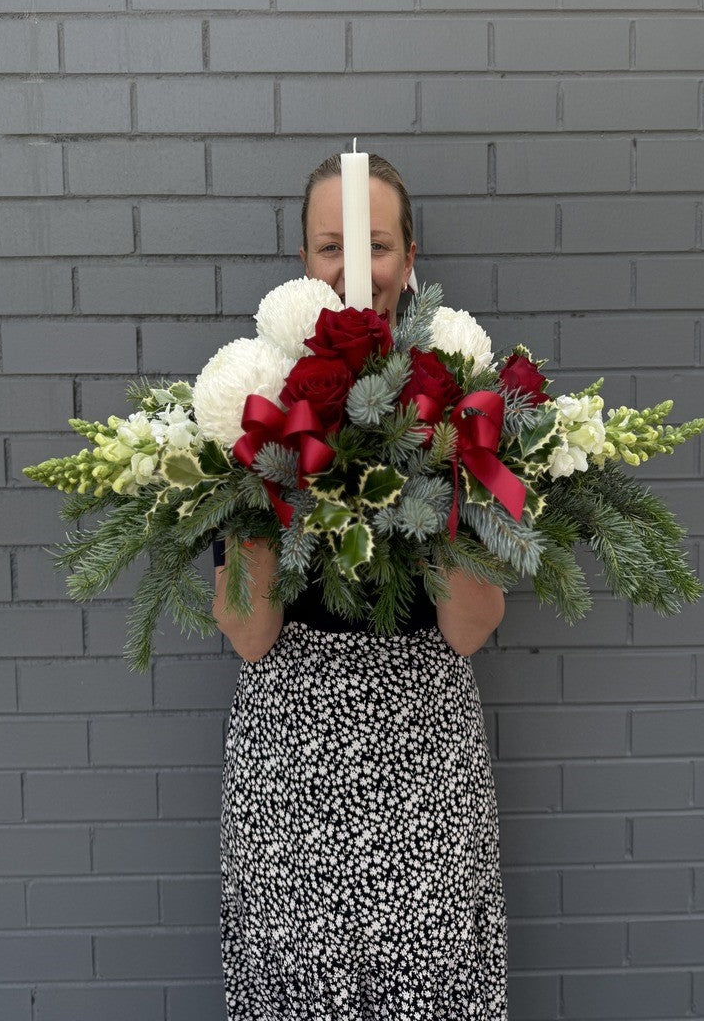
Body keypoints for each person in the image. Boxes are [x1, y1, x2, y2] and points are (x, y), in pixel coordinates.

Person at [213, 153, 508, 1019]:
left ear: (410, 258)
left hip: (426, 753)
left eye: (374, 246)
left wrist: (433, 453)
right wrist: (272, 465)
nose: (353, 270)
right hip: (289, 757)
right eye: (328, 246)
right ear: (302, 261)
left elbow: (473, 625)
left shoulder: (458, 396)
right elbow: (246, 631)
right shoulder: (257, 398)